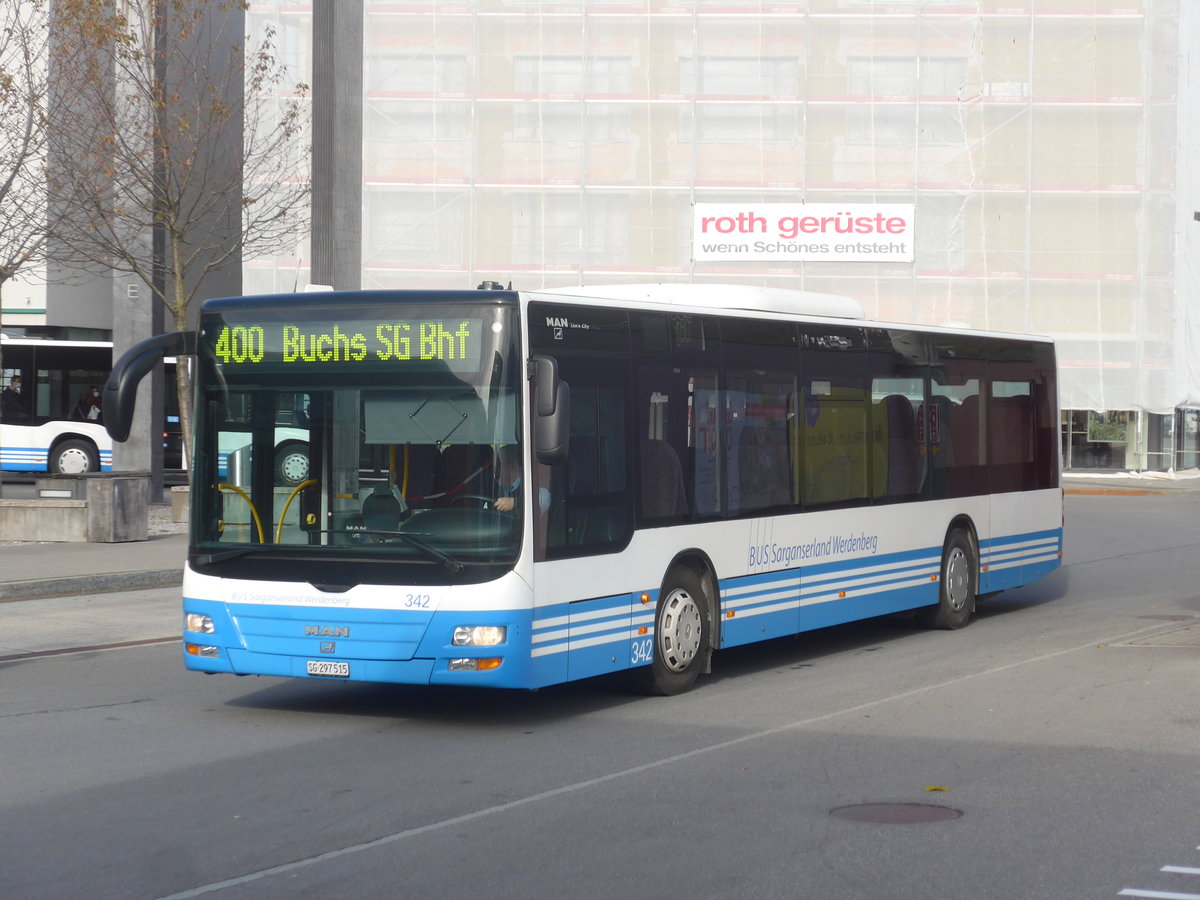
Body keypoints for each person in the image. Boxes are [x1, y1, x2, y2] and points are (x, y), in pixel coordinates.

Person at [494, 444, 550, 514]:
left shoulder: (531, 487)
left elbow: (543, 499)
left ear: (513, 466)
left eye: (500, 465)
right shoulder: (495, 489)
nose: (496, 469)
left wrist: (515, 503)